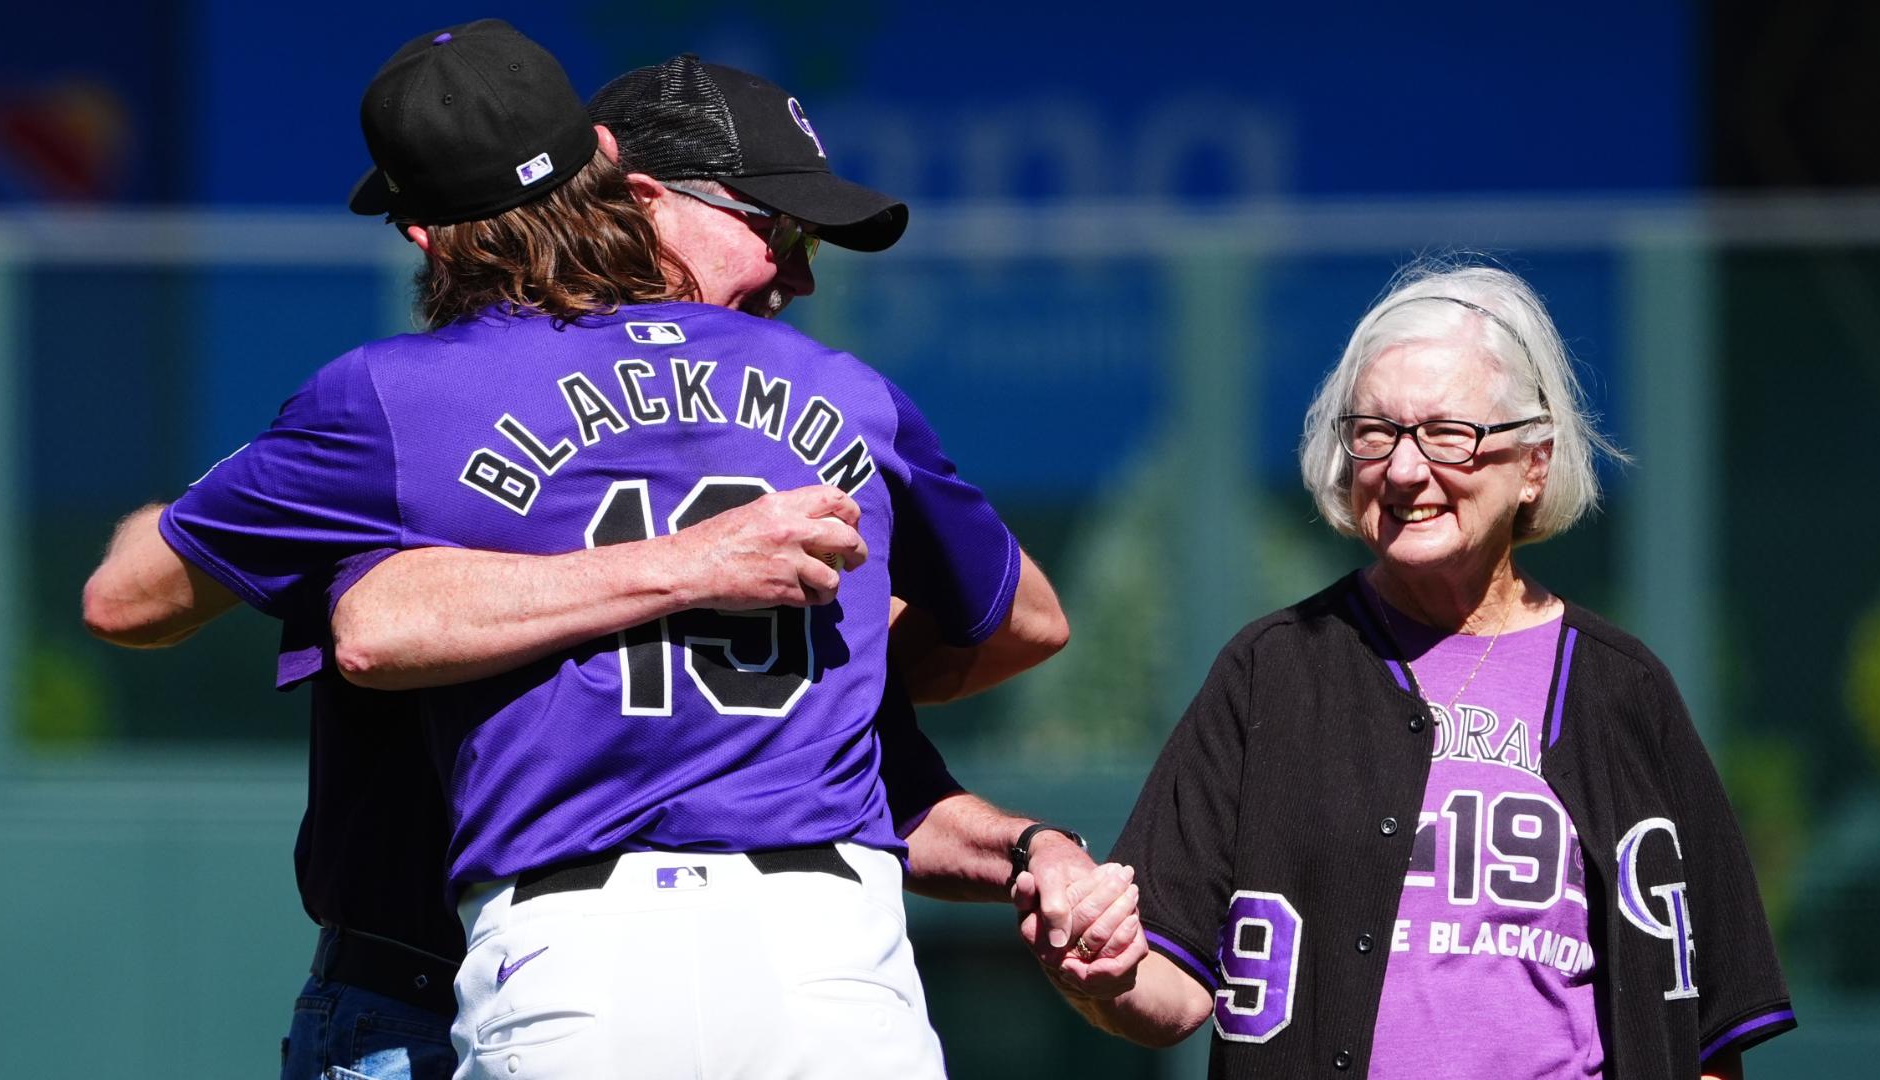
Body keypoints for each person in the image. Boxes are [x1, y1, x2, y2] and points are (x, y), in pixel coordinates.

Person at [82, 24, 1125, 1080]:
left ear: (420, 233)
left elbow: (140, 599)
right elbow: (373, 630)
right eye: (776, 228)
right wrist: (709, 576)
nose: (795, 271)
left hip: (560, 957)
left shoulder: (394, 401)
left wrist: (827, 657)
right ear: (618, 181)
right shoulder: (837, 390)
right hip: (796, 959)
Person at [1023, 262, 1795, 1079]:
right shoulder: (1272, 672)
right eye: (1376, 432)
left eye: (1446, 433)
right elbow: (1172, 979)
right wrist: (1100, 973)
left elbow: (1708, 1029)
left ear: (1534, 463)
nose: (1402, 469)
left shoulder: (1623, 691)